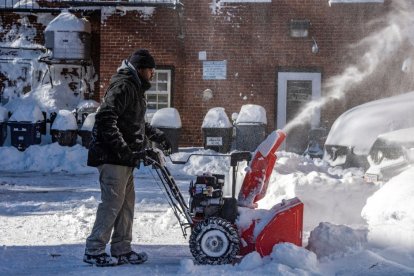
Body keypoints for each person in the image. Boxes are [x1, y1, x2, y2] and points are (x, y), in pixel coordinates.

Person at [83, 49, 171, 267]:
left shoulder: (134, 86)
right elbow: (105, 118)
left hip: (124, 159)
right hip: (112, 157)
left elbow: (133, 121)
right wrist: (123, 150)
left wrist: (155, 135)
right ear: (141, 69)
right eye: (151, 70)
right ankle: (94, 250)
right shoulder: (124, 85)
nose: (152, 75)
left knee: (126, 204)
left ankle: (121, 249)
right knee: (112, 203)